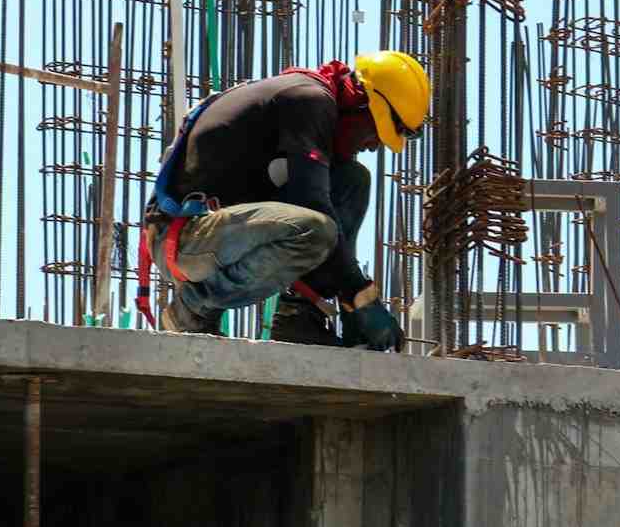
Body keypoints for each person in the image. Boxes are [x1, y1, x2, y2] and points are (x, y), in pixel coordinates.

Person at [140, 50, 428, 350]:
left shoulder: (309, 99)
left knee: (352, 181)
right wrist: (361, 296)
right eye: (376, 132)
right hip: (184, 237)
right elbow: (313, 203)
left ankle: (299, 316)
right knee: (314, 230)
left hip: (220, 233)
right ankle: (193, 309)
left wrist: (349, 302)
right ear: (361, 105)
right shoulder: (310, 101)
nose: (373, 146)